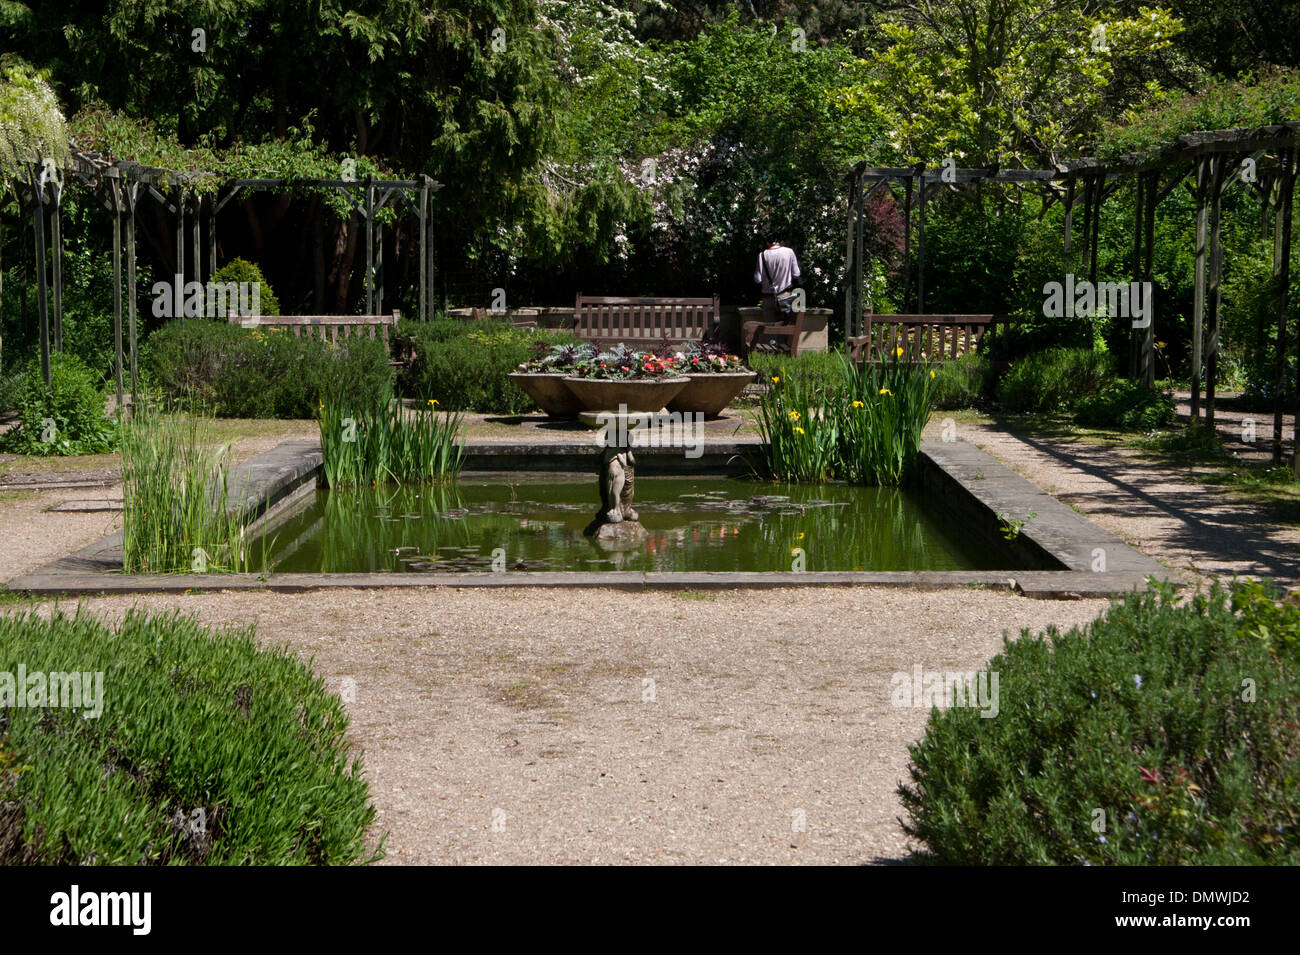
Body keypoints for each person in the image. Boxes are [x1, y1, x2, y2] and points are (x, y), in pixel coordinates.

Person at [754, 234, 801, 324]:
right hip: (785, 295)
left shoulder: (762, 255)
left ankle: (772, 339)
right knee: (787, 326)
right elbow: (796, 274)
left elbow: (758, 279)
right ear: (781, 242)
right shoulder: (789, 252)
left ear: (768, 243)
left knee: (769, 327)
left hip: (768, 296)